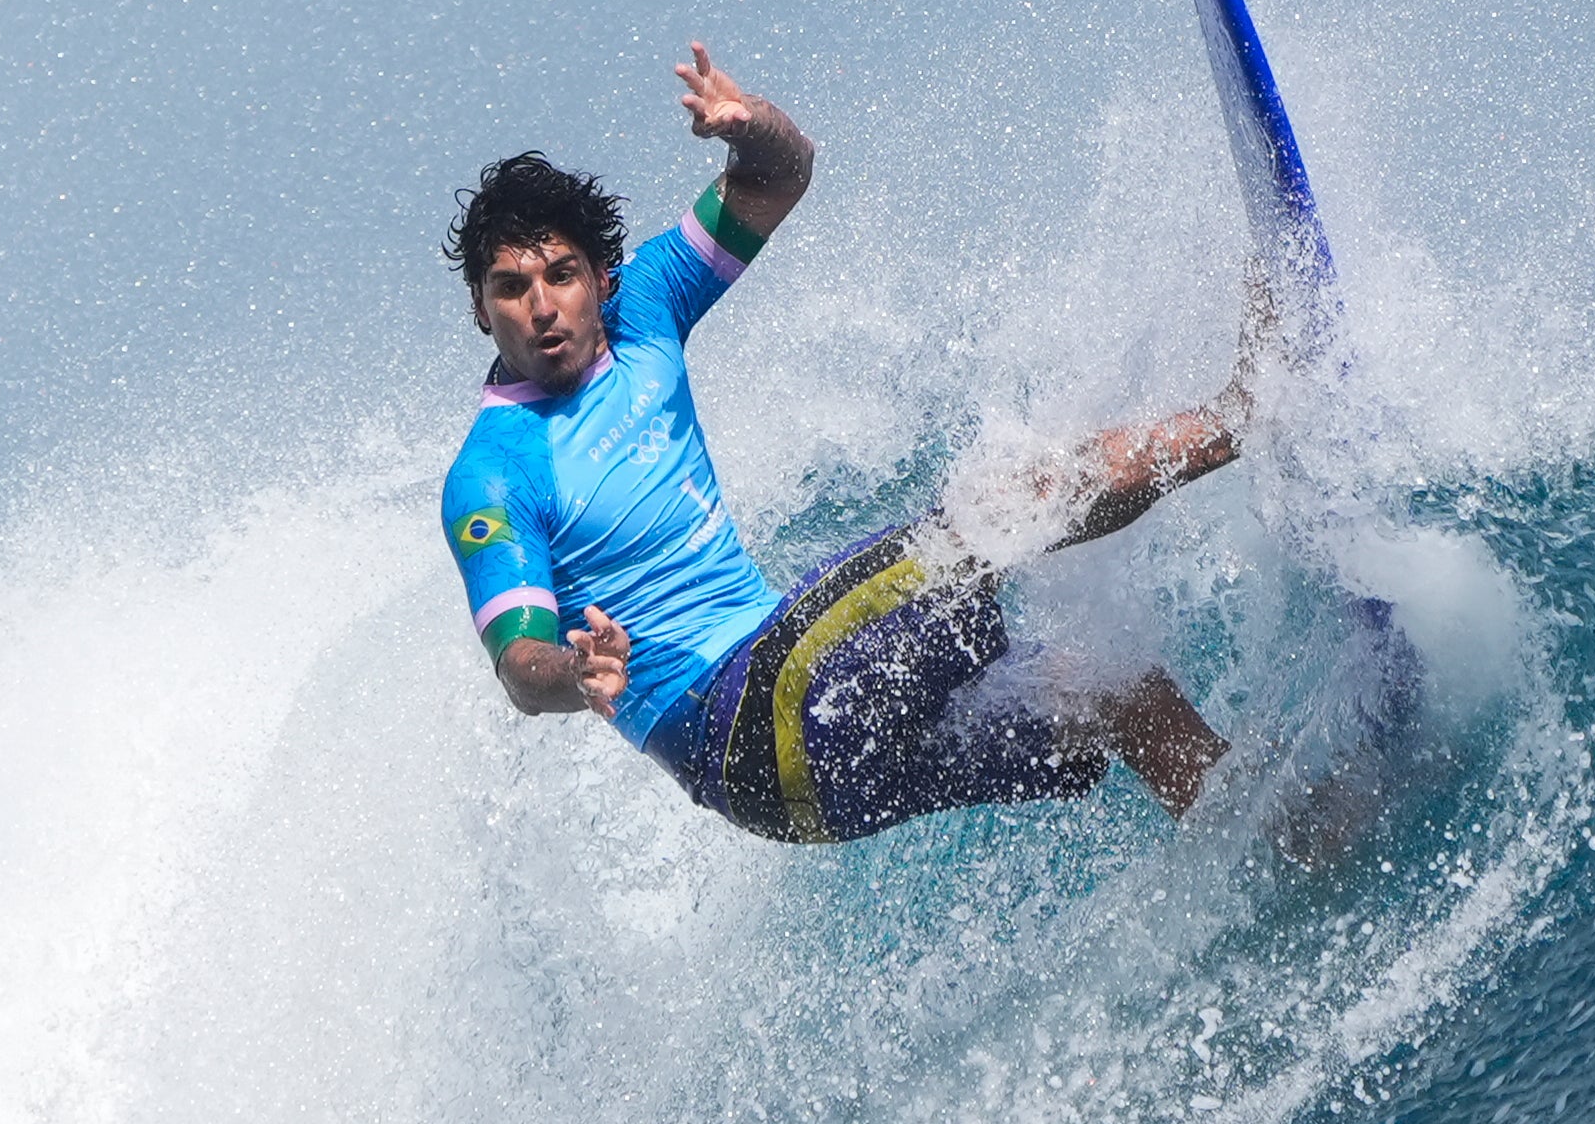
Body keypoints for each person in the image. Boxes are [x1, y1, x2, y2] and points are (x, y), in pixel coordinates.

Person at [440, 44, 1251, 847]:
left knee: (1111, 690)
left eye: (560, 274)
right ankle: (1246, 412)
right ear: (482, 308)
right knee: (996, 509)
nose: (542, 305)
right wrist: (578, 677)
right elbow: (520, 665)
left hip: (817, 775)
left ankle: (1272, 837)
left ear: (600, 278)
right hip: (741, 724)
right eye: (511, 287)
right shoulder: (493, 474)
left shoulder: (645, 308)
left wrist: (750, 126)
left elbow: (779, 175)